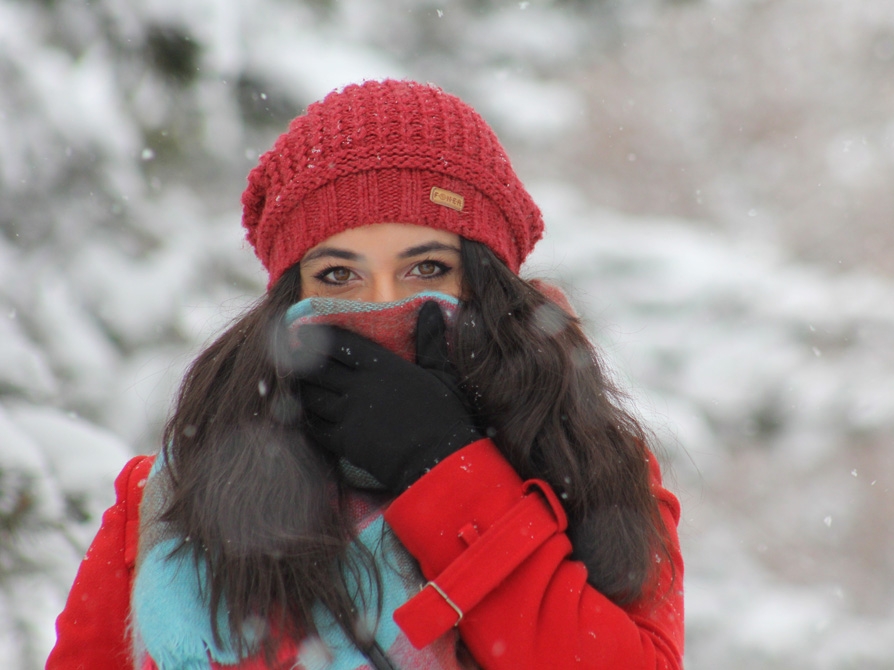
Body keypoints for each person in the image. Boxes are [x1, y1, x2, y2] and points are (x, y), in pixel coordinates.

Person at [46, 79, 684, 670]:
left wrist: (445, 467)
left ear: (489, 287)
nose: (382, 304)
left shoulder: (592, 472)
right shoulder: (172, 500)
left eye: (428, 269)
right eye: (338, 275)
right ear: (291, 299)